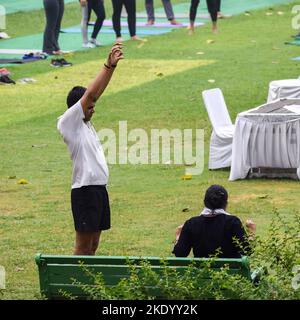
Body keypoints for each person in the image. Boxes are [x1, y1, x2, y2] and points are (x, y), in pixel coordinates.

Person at [57, 43, 124, 255]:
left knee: (94, 245)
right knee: (83, 246)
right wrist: (107, 65)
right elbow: (92, 95)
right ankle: (75, 286)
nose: (93, 110)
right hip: (84, 191)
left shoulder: (86, 123)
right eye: (90, 106)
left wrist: (112, 69)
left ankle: (87, 285)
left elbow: (95, 95)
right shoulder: (69, 122)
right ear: (77, 108)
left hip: (98, 190)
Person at [172, 185, 256, 258]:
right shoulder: (233, 222)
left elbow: (180, 254)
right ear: (226, 204)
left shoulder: (191, 224)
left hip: (201, 274)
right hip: (231, 275)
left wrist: (178, 235)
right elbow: (247, 251)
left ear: (204, 202)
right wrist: (251, 231)